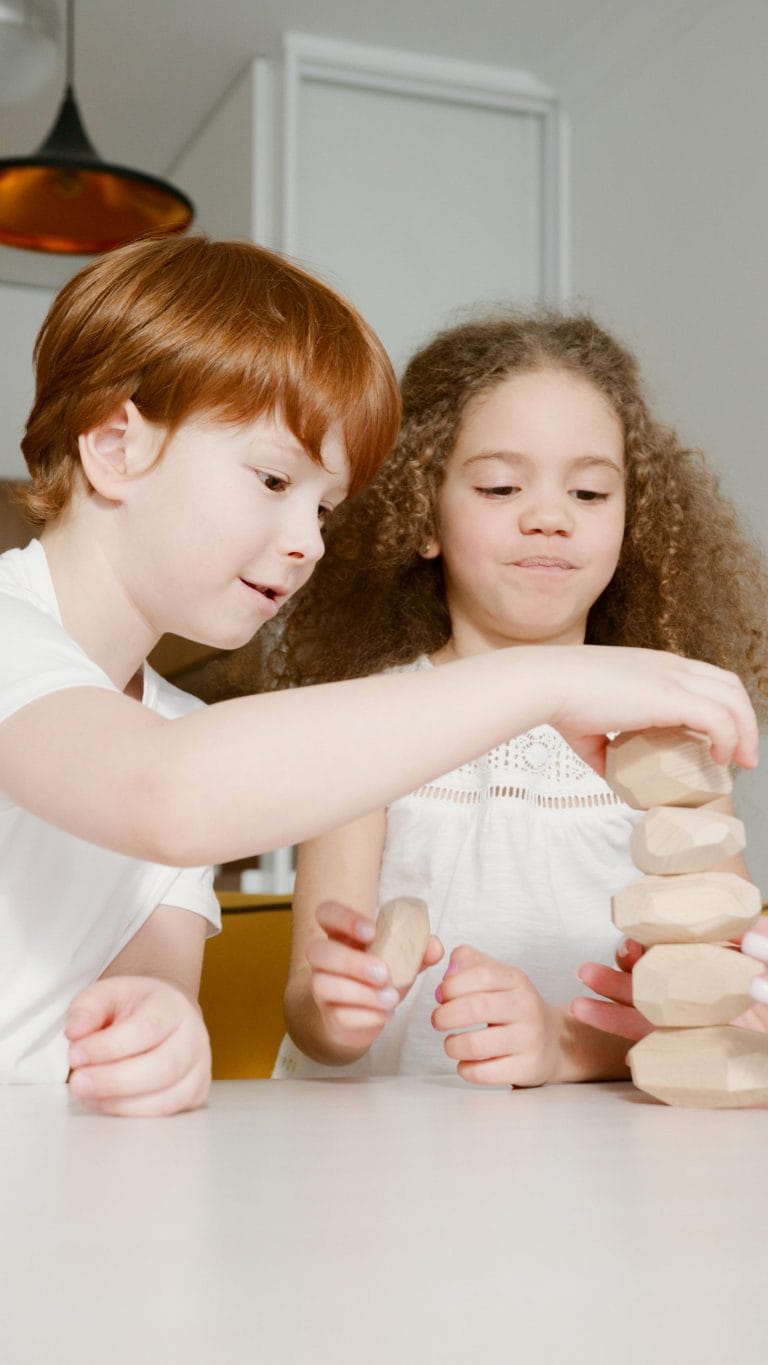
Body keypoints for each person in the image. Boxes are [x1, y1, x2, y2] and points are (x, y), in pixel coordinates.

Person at [0, 245, 757, 1115]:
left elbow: (152, 995)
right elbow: (166, 793)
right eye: (275, 479)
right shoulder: (32, 651)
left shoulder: (179, 723)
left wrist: (163, 1038)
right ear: (114, 447)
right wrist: (551, 679)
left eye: (323, 507)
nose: (311, 542)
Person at [256, 311, 768, 1084]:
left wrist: (562, 1044)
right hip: (380, 1168)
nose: (550, 516)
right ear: (422, 514)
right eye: (500, 485)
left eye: (591, 492)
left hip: (599, 1173)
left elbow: (712, 1018)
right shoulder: (366, 723)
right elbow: (312, 1013)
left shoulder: (671, 744)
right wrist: (341, 1007)